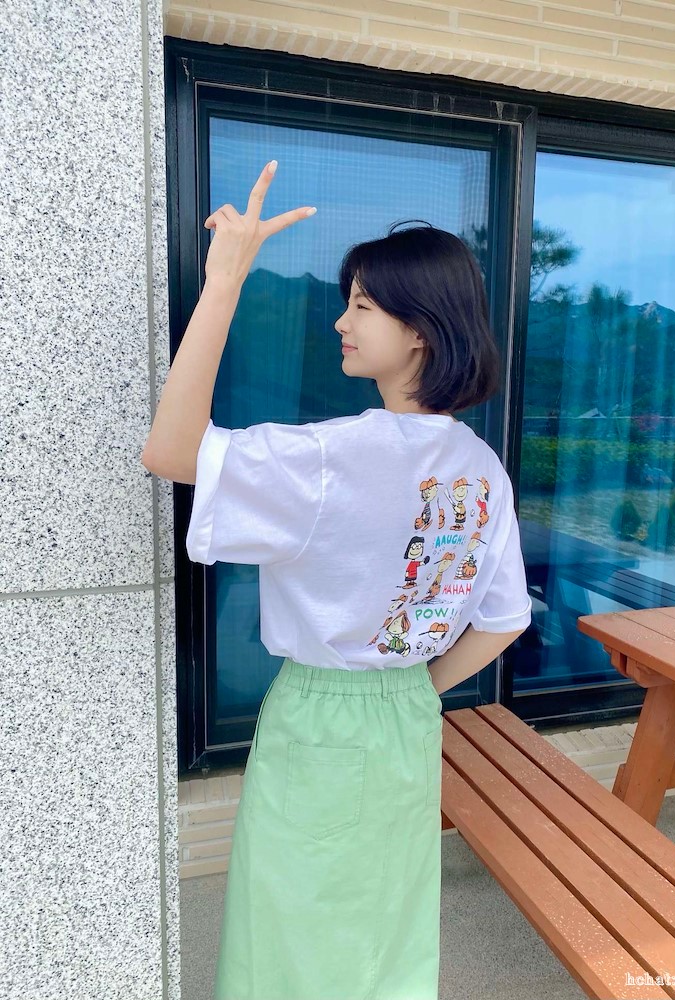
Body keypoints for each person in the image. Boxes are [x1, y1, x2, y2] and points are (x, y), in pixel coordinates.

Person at [141, 161, 532, 1000]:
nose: (340, 321)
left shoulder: (332, 458)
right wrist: (414, 684)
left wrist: (224, 281)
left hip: (321, 717)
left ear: (419, 329)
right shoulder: (482, 470)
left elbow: (171, 451)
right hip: (409, 718)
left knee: (291, 937)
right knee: (387, 932)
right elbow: (504, 621)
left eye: (361, 305)